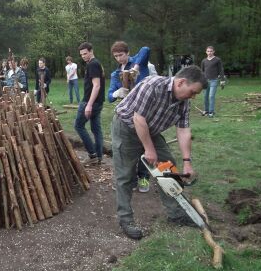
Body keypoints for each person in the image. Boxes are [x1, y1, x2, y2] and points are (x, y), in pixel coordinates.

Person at [112, 65, 207, 240]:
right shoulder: (153, 85)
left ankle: (175, 213)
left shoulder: (183, 102)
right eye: (193, 92)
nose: (193, 96)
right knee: (125, 175)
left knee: (168, 167)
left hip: (151, 130)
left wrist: (187, 162)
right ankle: (125, 219)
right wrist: (149, 149)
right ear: (181, 82)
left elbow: (184, 130)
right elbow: (138, 118)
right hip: (127, 128)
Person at [107, 41, 151, 193]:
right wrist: (116, 93)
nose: (119, 58)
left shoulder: (138, 63)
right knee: (128, 148)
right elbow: (109, 97)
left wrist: (136, 68)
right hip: (127, 115)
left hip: (144, 111)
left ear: (128, 53)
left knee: (144, 145)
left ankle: (144, 177)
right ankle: (130, 178)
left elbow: (145, 48)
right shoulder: (115, 74)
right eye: (116, 56)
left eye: (121, 55)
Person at [75, 42, 106, 165]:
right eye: (81, 54)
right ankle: (98, 156)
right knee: (96, 129)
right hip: (98, 102)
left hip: (90, 102)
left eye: (85, 53)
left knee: (78, 126)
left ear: (91, 51)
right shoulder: (97, 63)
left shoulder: (93, 64)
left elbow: (96, 85)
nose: (83, 56)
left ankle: (92, 155)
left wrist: (89, 104)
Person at [200, 46, 225, 118]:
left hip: (214, 80)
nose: (209, 52)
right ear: (206, 52)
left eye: (211, 51)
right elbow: (202, 71)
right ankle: (206, 110)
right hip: (205, 81)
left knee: (211, 96)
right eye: (208, 51)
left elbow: (221, 70)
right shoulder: (204, 61)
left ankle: (211, 111)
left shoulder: (217, 60)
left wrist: (222, 80)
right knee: (205, 96)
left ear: (213, 51)